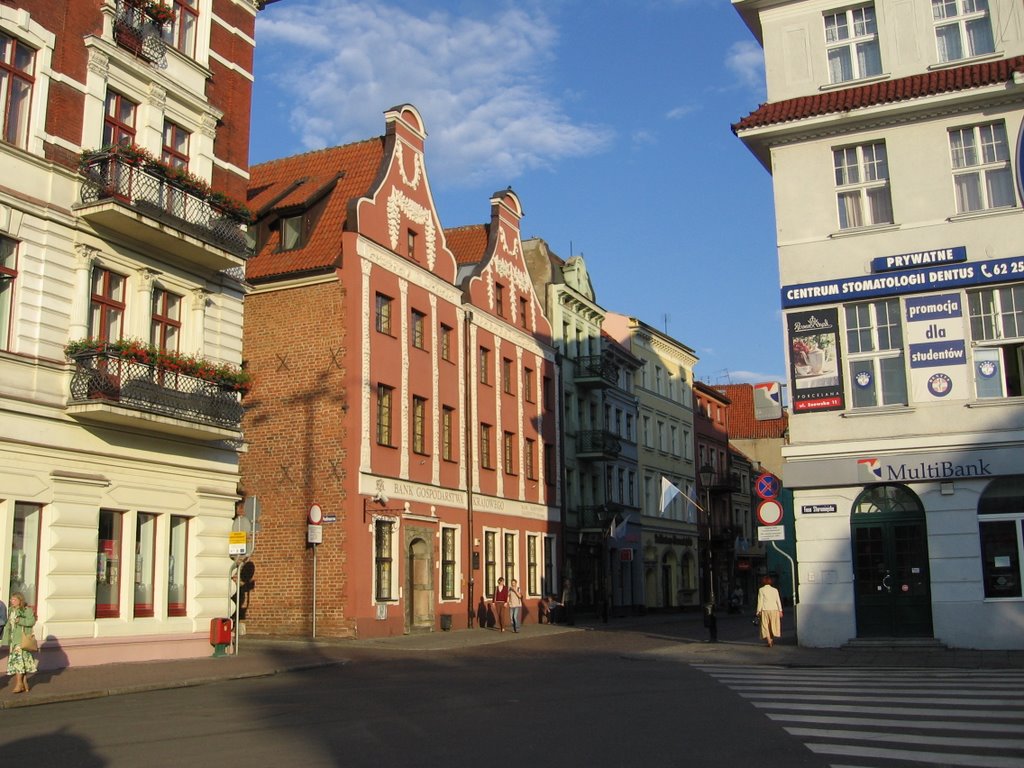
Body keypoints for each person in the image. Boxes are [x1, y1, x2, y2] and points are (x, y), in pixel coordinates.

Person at [2, 592, 38, 693]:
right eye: (11, 599)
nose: (11, 601)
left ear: (20, 600)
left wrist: (20, 620)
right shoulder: (11, 610)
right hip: (14, 640)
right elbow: (8, 625)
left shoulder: (27, 610)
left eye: (14, 599)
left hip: (22, 640)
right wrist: (6, 640)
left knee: (18, 662)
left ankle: (19, 684)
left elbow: (31, 622)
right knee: (22, 662)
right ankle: (24, 682)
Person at [756, 576, 783, 647]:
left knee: (765, 626)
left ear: (763, 582)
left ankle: (769, 641)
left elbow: (760, 601)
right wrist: (780, 610)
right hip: (775, 610)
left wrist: (758, 611)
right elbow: (778, 600)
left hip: (765, 610)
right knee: (773, 625)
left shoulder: (761, 590)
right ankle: (771, 639)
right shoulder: (775, 590)